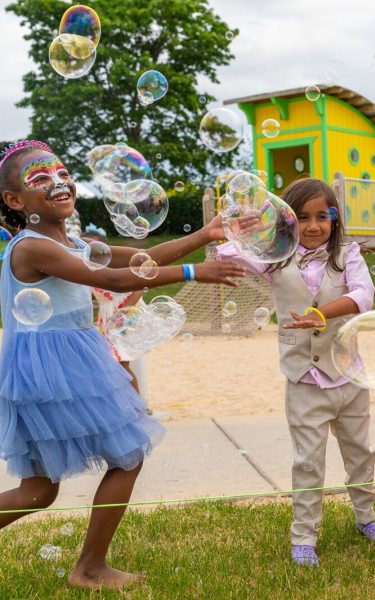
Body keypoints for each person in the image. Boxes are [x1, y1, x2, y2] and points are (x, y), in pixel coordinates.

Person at [0, 139, 246, 590]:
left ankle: (90, 566)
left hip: (63, 362)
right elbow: (114, 279)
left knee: (38, 492)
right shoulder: (31, 248)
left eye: (60, 172)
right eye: (40, 179)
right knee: (129, 453)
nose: (57, 182)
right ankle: (90, 568)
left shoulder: (75, 241)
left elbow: (140, 260)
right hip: (53, 370)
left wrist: (205, 236)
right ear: (15, 201)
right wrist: (195, 272)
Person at [217, 178, 375, 568]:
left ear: (334, 220)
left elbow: (364, 295)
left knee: (361, 453)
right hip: (304, 381)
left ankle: (366, 518)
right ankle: (304, 537)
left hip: (349, 376)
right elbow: (226, 252)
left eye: (322, 217)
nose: (313, 226)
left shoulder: (347, 254)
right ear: (288, 221)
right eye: (302, 217)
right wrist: (248, 225)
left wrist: (321, 314)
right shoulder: (276, 257)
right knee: (308, 461)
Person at [82, 225, 150, 406]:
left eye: (96, 252)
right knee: (115, 365)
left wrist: (124, 311)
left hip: (126, 314)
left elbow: (140, 286)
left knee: (122, 364)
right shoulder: (86, 270)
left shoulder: (117, 266)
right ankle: (129, 404)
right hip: (107, 317)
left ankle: (138, 406)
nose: (93, 257)